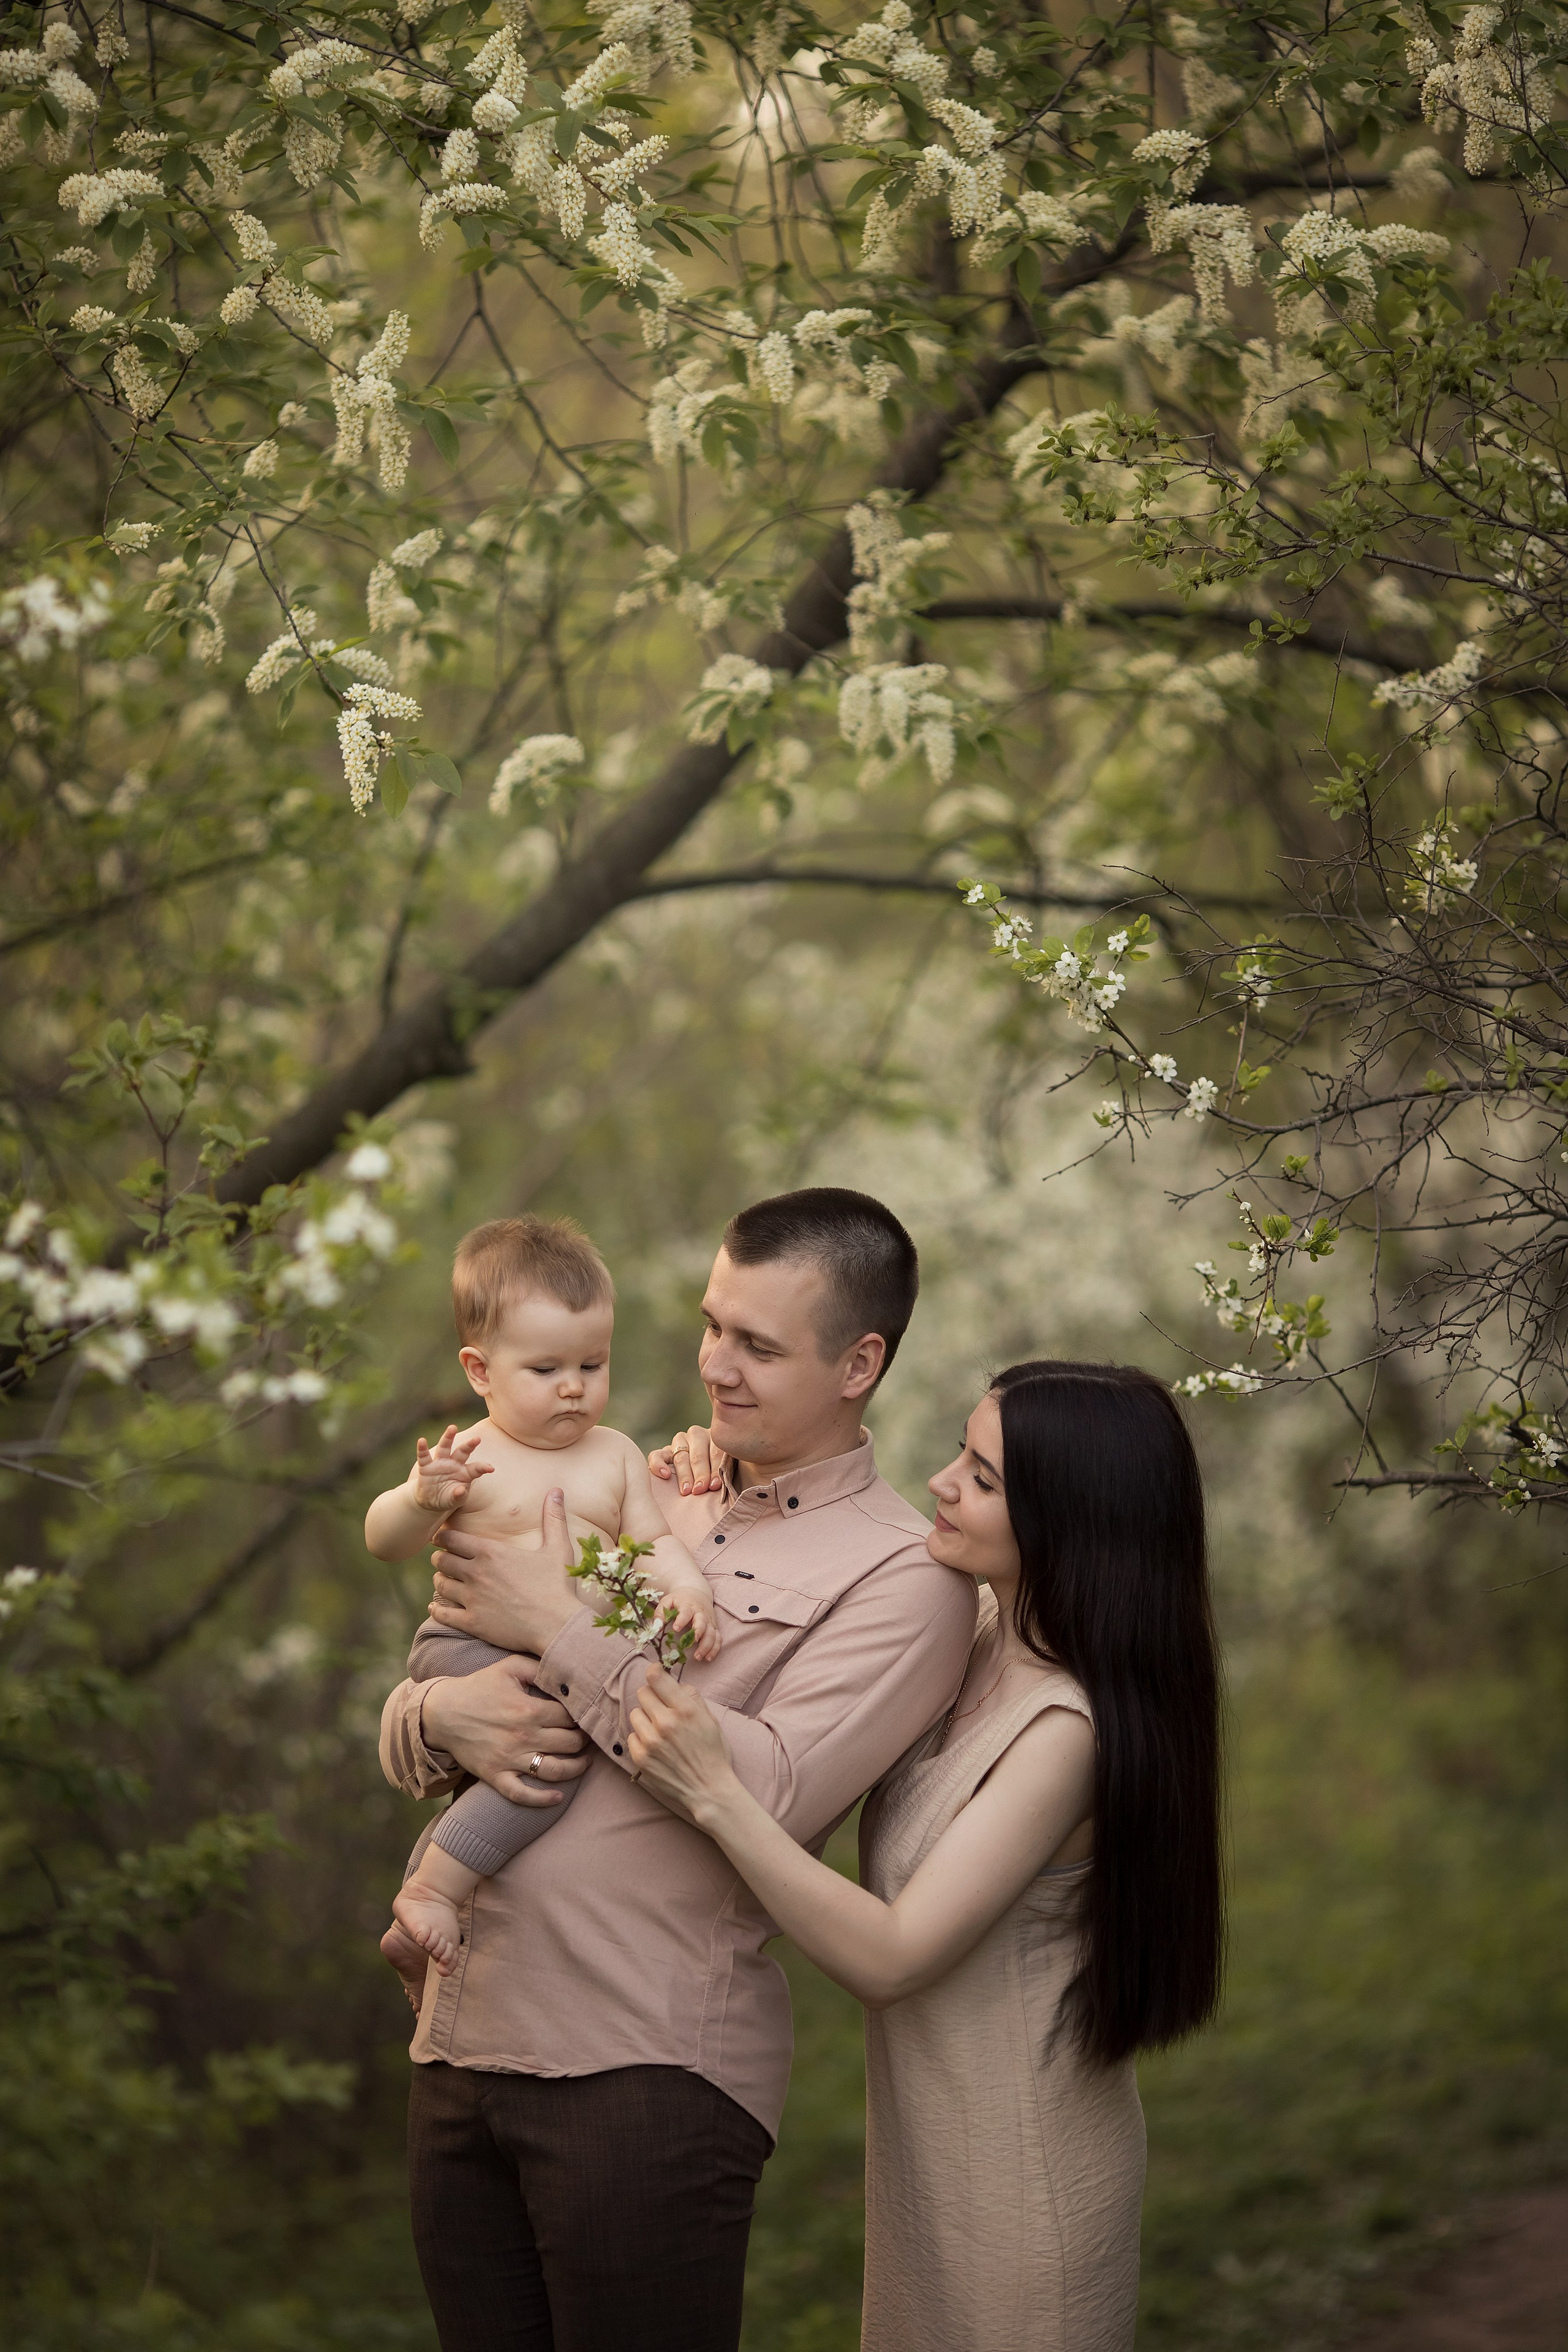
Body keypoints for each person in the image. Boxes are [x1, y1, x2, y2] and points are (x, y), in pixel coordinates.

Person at [377, 1187, 976, 2352]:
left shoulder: (903, 1578)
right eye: (711, 1327)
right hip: (461, 2034)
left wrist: (558, 1624)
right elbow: (440, 1691)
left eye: (758, 1344)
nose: (715, 1365)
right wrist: (437, 1712)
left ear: (860, 1362)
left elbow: (773, 1789)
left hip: (641, 2070)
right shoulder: (653, 1482)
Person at [628, 1359, 1226, 2352]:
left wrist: (715, 1798)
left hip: (1023, 2183)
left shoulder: (1063, 1733)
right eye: (962, 1450)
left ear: (1073, 1522)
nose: (944, 1483)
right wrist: (697, 1506)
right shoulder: (978, 1632)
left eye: (985, 1479)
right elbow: (812, 1628)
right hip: (930, 2166)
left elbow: (893, 1957)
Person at [366, 1215, 718, 2003]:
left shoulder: (617, 1455)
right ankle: (434, 1891)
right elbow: (383, 1540)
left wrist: (688, 1589)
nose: (574, 1386)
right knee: (552, 1756)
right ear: (480, 1370)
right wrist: (420, 1499)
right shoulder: (472, 1456)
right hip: (465, 1647)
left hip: (558, 1658)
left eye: (593, 1364)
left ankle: (427, 1889)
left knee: (541, 1767)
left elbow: (654, 1541)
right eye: (546, 1368)